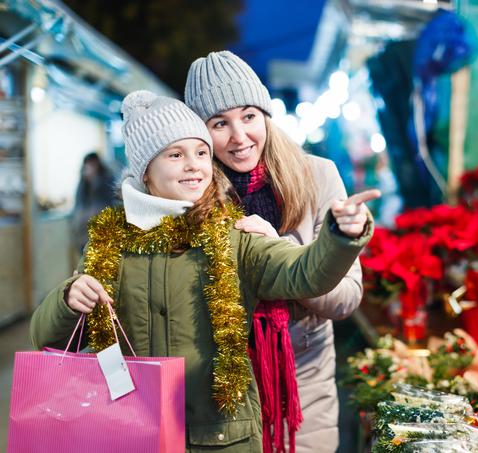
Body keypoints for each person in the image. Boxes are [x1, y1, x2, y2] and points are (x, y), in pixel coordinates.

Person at [30, 90, 377, 453]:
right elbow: (46, 340)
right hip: (135, 433)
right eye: (176, 155)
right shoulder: (107, 246)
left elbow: (307, 274)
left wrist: (341, 236)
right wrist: (69, 299)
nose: (194, 165)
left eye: (200, 153)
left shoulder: (234, 235)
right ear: (145, 170)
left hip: (223, 440)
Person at [185, 51, 365, 453]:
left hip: (303, 388)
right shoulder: (190, 195)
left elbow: (346, 299)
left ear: (265, 115)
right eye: (219, 123)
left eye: (248, 116)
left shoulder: (317, 176)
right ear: (201, 133)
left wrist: (279, 252)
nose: (239, 136)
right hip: (218, 397)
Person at [71, 152, 116, 252]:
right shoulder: (83, 183)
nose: (90, 167)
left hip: (103, 232)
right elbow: (78, 206)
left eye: (92, 164)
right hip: (84, 235)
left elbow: (108, 204)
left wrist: (94, 180)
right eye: (88, 164)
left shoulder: (107, 179)